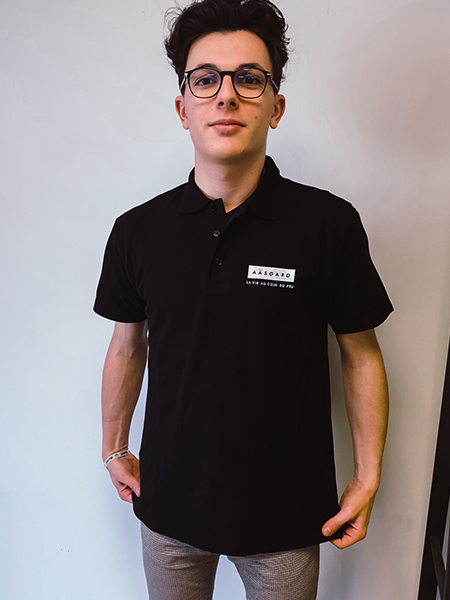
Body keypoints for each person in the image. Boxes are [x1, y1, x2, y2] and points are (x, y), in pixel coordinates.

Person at [94, 1, 393, 598]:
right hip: (169, 507)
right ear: (183, 108)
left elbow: (361, 352)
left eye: (249, 78)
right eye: (206, 79)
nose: (226, 95)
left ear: (275, 106)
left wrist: (367, 477)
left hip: (287, 515)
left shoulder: (328, 224)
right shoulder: (137, 231)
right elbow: (128, 346)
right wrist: (113, 447)